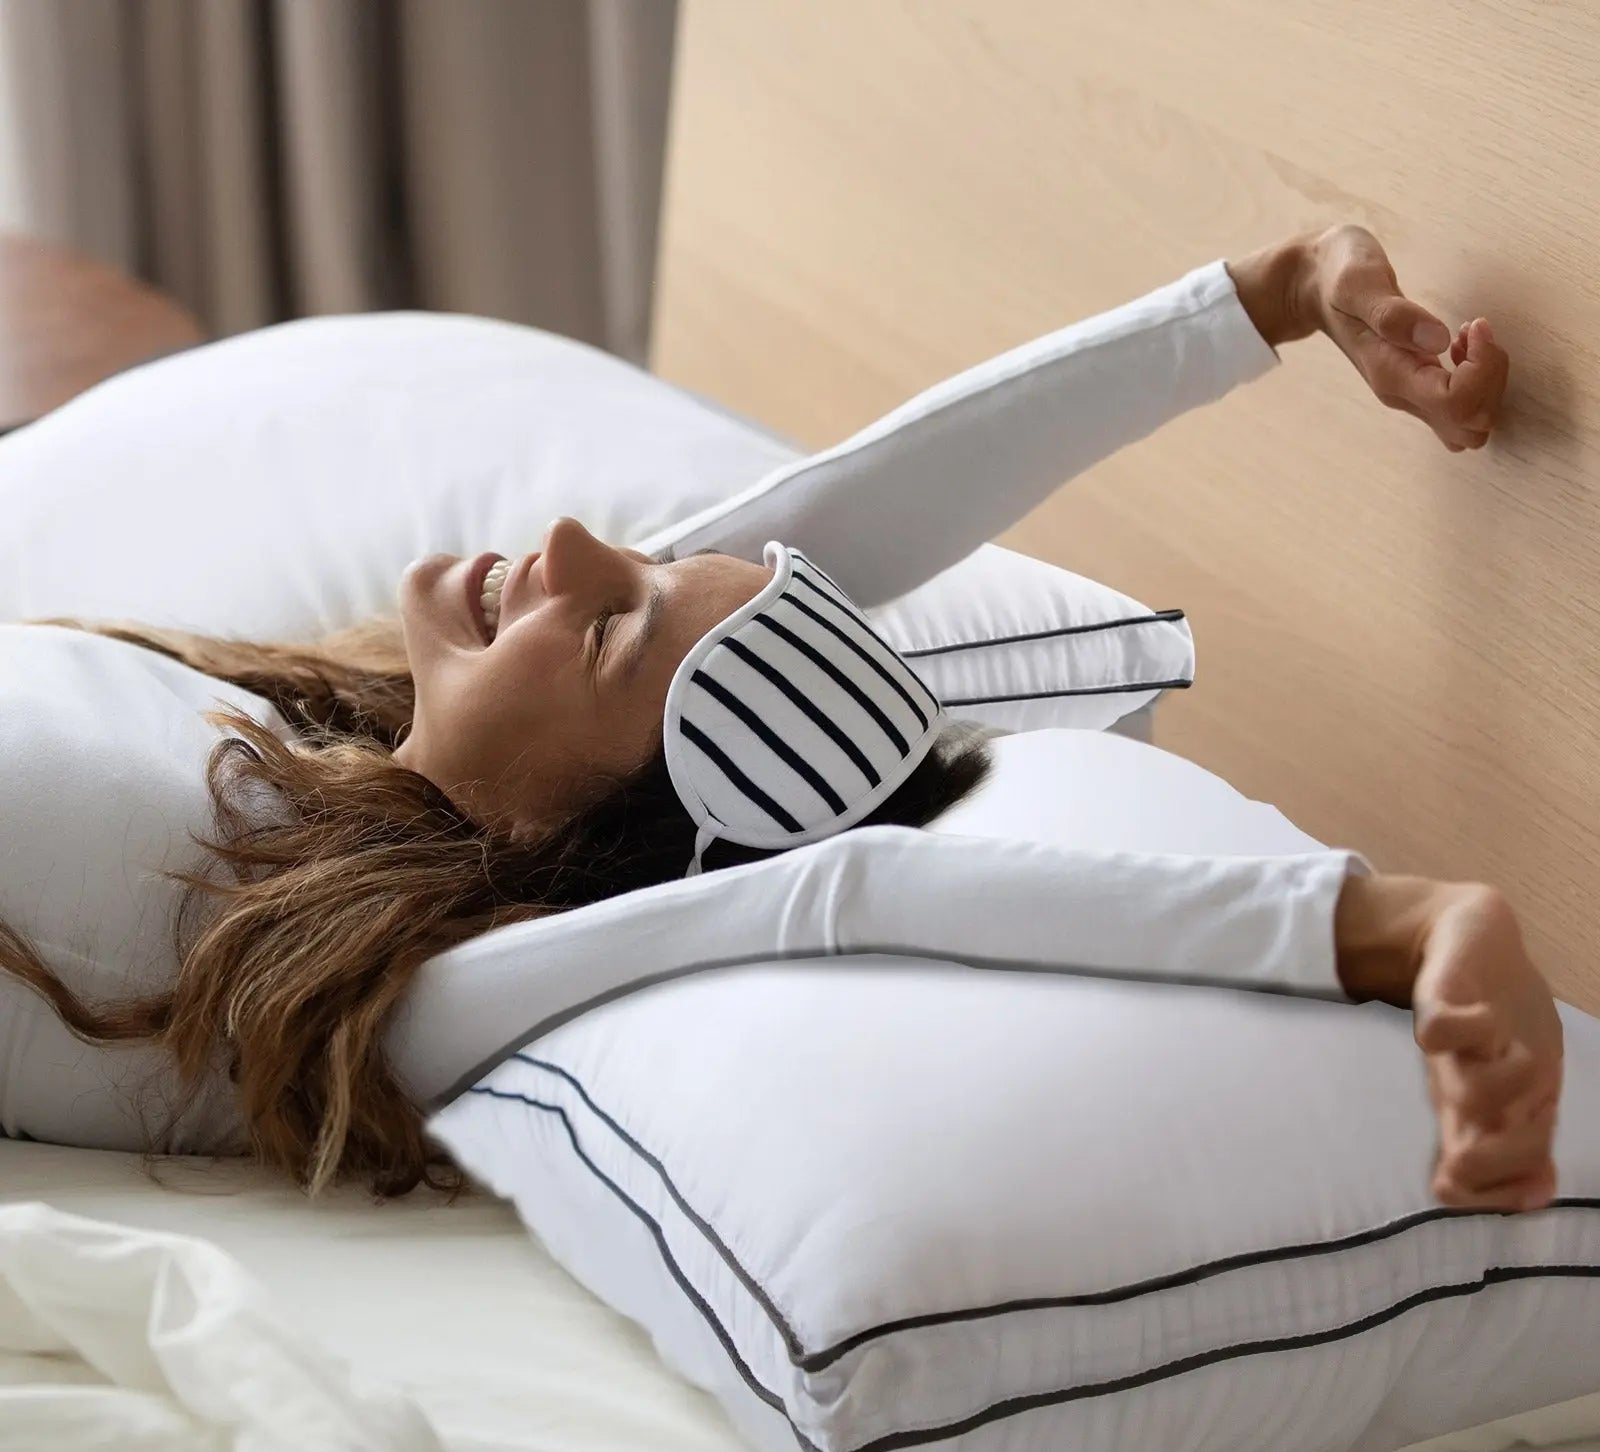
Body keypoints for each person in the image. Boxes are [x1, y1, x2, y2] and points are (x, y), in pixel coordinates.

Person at [0, 223, 1558, 1215]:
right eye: (641, 568)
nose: (569, 546)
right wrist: (1275, 292)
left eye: (607, 625)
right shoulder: (341, 763)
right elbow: (812, 528)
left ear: (575, 842)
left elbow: (847, 894)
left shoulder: (413, 997)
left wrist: (1379, 928)